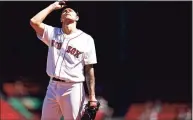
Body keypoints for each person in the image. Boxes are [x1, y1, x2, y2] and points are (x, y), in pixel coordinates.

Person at [30, 1, 98, 120]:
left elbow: (89, 69)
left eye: (71, 11)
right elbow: (34, 22)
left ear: (77, 18)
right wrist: (52, 7)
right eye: (64, 11)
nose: (67, 11)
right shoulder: (53, 33)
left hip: (73, 87)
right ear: (61, 19)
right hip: (52, 86)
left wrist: (92, 96)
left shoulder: (86, 39)